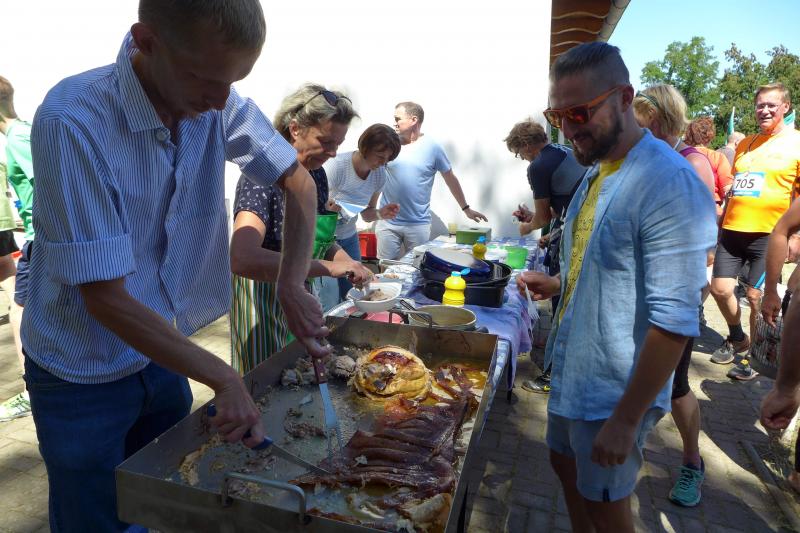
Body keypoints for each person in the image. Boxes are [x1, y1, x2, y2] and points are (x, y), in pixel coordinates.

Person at [23, 2, 329, 530]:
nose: (220, 100)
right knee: (93, 519)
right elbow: (104, 297)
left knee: (162, 504)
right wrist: (225, 378)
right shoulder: (72, 119)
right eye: (206, 79)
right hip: (81, 369)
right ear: (147, 42)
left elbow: (297, 182)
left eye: (233, 82)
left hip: (161, 349)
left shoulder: (216, 97)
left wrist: (291, 283)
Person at [517, 42, 716, 532]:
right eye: (557, 115)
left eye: (579, 113)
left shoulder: (668, 182)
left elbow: (676, 318)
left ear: (625, 98)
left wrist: (626, 419)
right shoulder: (597, 168)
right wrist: (559, 282)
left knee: (607, 509)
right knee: (565, 469)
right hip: (572, 367)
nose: (568, 129)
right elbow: (605, 262)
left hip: (612, 389)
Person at [229, 84, 372, 374]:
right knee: (267, 380)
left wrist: (347, 261)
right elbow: (243, 257)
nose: (333, 153)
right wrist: (325, 267)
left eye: (338, 144)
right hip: (262, 298)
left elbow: (319, 236)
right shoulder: (261, 177)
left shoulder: (315, 175)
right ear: (295, 129)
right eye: (325, 141)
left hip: (299, 287)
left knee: (298, 375)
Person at [632, 84, 716, 507]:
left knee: (678, 387)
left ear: (662, 123)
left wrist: (686, 300)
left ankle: (691, 463)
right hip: (645, 295)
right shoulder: (650, 161)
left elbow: (702, 247)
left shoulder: (691, 164)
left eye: (642, 127)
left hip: (677, 297)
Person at [709, 82, 800, 366]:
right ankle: (738, 337)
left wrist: (795, 236)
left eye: (771, 105)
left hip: (770, 234)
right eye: (760, 105)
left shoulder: (796, 142)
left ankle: (752, 361)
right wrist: (722, 220)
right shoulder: (745, 144)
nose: (765, 110)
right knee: (719, 289)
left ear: (785, 107)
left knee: (755, 296)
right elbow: (737, 187)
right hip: (733, 231)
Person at [503, 117, 586, 394]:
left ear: (526, 145)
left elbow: (542, 219)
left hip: (575, 237)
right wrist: (535, 219)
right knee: (569, 303)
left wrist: (526, 227)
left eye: (519, 153)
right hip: (579, 229)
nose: (523, 158)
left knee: (562, 307)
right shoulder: (563, 152)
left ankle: (553, 374)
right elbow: (560, 206)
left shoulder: (538, 166)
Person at [376, 102, 488, 259]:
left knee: (416, 268)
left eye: (398, 119)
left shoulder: (432, 147)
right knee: (386, 268)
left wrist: (466, 209)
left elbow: (450, 179)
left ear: (414, 120)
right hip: (387, 223)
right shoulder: (390, 145)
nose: (394, 123)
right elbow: (376, 175)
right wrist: (371, 209)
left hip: (418, 225)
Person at [324, 123, 401, 300]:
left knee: (356, 290)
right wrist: (329, 210)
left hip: (349, 237)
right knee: (328, 297)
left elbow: (367, 214)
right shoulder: (336, 166)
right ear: (365, 147)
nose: (382, 163)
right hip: (326, 241)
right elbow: (315, 211)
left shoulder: (379, 175)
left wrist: (380, 213)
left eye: (387, 160)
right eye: (380, 156)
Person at [0, 76, 32, 422]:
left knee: (19, 311)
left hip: (40, 243)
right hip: (40, 238)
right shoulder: (24, 133)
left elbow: (52, 184)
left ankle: (30, 391)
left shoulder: (17, 138)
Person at [685, 116, 734, 217]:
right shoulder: (717, 157)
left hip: (683, 210)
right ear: (710, 135)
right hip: (710, 211)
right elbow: (727, 189)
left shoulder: (678, 155)